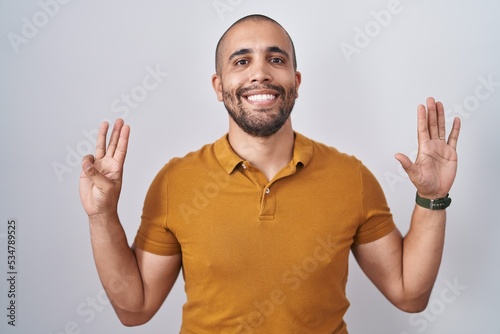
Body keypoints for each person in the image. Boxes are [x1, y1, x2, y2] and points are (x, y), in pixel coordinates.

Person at [79, 14, 461, 333]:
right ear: (218, 86)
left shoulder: (351, 178)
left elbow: (410, 295)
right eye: (241, 61)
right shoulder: (175, 182)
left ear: (296, 81)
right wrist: (101, 215)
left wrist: (432, 199)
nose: (260, 73)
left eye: (276, 60)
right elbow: (135, 309)